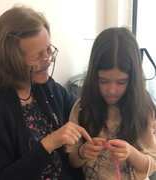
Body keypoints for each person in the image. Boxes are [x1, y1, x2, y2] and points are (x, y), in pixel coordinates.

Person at [0, 6, 92, 180]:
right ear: (11, 61)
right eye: (38, 56)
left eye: (48, 49)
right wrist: (49, 143)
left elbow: (80, 108)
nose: (48, 62)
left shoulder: (44, 86)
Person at [66, 27, 156, 180]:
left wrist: (131, 152)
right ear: (94, 77)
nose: (112, 90)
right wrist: (82, 152)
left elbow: (152, 164)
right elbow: (72, 161)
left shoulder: (143, 109)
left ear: (132, 79)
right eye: (103, 81)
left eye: (121, 82)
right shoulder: (82, 108)